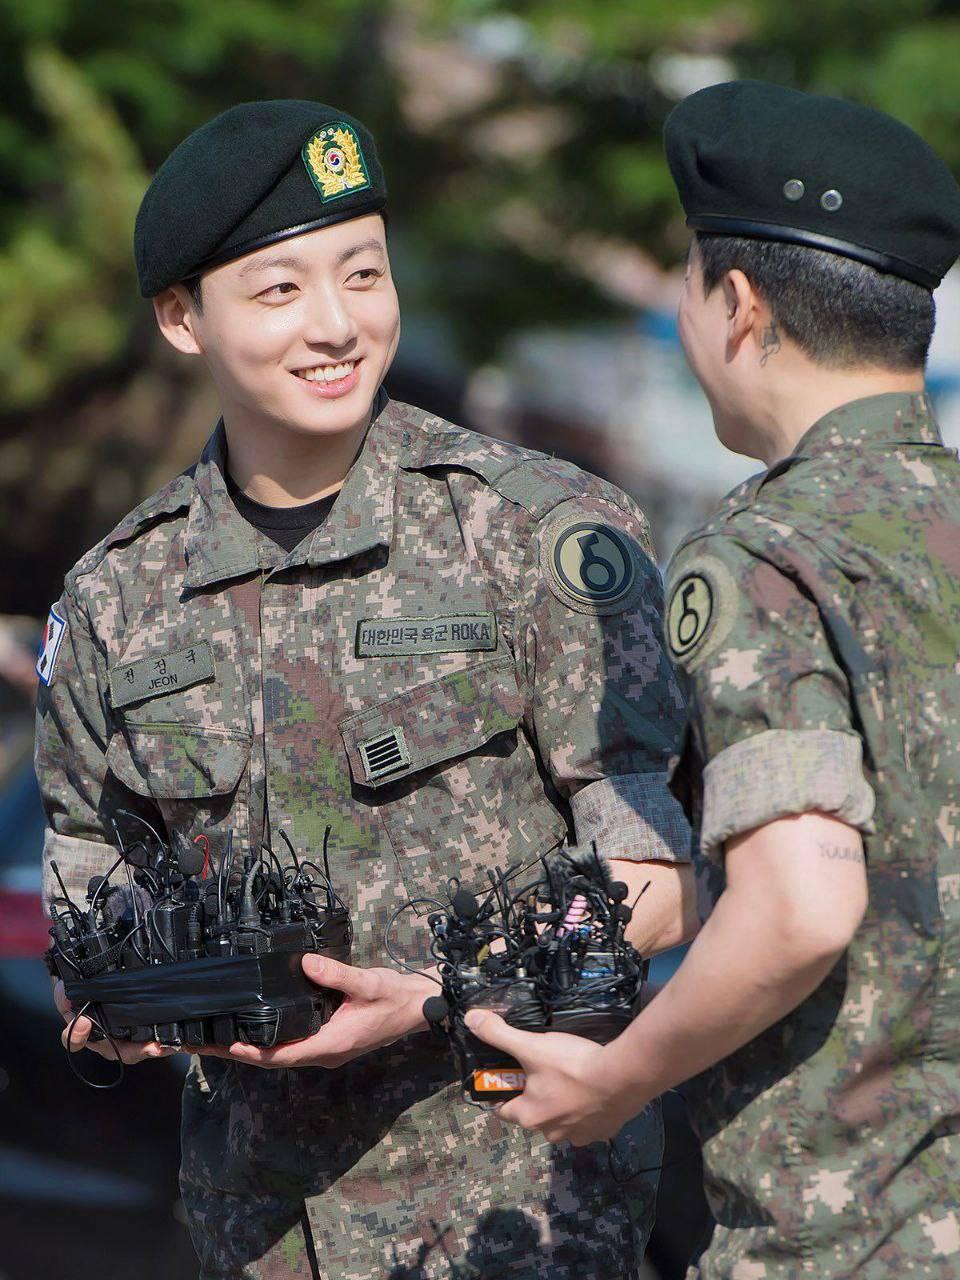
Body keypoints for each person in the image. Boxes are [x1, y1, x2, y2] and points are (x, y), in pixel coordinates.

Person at [34, 100, 697, 1279]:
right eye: (281, 289)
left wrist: (441, 991)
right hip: (260, 1235)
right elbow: (88, 883)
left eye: (363, 273)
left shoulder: (537, 535)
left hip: (523, 1221)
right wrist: (121, 1000)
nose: (338, 324)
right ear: (183, 318)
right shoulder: (114, 599)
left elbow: (656, 881)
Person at [466, 81, 960, 1276]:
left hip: (853, 1234)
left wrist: (615, 1077)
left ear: (738, 304)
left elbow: (801, 903)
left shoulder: (768, 553)